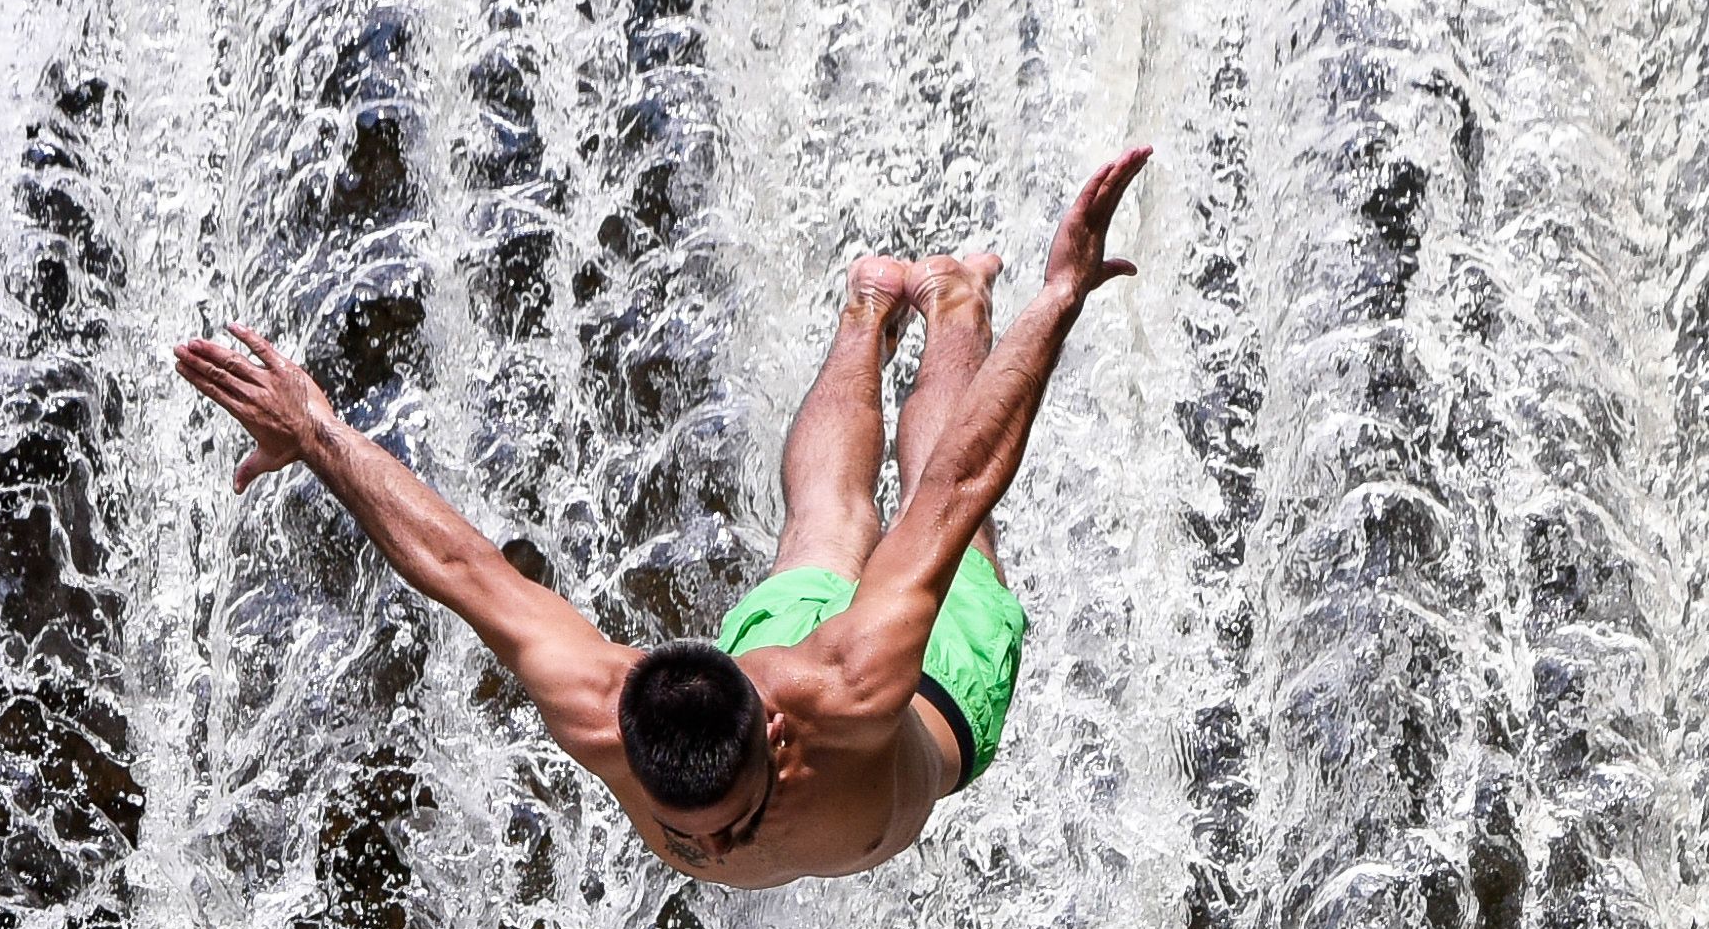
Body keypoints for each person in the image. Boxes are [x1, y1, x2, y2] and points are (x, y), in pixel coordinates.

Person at [173, 146, 1148, 885]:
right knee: (819, 519)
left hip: (926, 700)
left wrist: (1056, 297)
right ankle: (865, 311)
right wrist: (321, 437)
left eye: (725, 822)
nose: (721, 845)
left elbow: (957, 485)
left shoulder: (856, 686)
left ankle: (953, 300)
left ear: (773, 736)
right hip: (784, 662)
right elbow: (465, 570)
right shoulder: (605, 708)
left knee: (936, 523)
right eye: (688, 831)